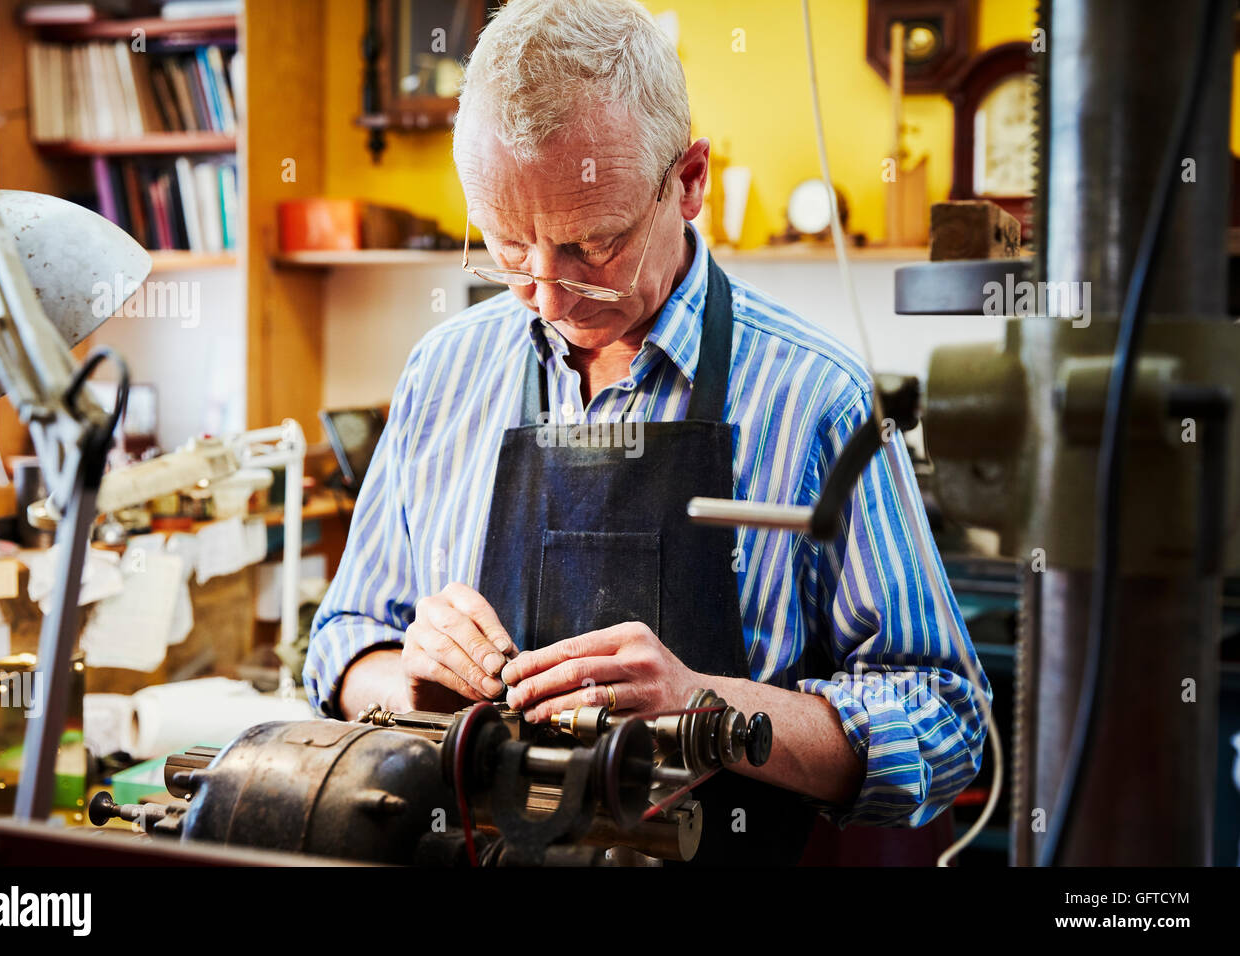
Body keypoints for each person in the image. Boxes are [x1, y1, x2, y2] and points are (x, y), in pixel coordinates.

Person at [306, 0, 991, 865]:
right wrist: (402, 675)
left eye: (594, 247)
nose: (549, 298)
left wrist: (709, 712)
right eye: (511, 246)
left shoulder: (818, 395)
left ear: (690, 181)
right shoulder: (442, 374)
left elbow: (944, 716)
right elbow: (340, 639)